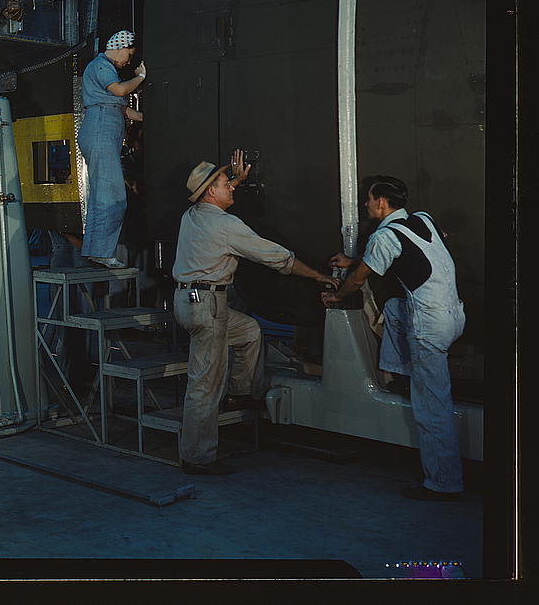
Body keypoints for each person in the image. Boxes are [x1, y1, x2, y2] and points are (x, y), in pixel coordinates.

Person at [173, 152, 338, 475]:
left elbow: (216, 197)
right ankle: (197, 456)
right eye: (226, 185)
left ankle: (239, 394)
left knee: (249, 331)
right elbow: (277, 258)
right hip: (208, 307)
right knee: (205, 384)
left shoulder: (192, 215)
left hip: (189, 302)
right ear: (211, 192)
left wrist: (236, 180)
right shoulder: (225, 225)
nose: (232, 189)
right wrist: (318, 276)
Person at [322, 176, 466, 501]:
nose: (365, 204)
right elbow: (409, 256)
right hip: (453, 314)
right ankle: (400, 371)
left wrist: (337, 297)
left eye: (369, 200)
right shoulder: (423, 219)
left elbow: (357, 282)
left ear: (382, 203)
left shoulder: (383, 235)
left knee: (432, 406)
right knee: (395, 307)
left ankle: (443, 483)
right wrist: (355, 260)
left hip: (430, 325)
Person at [78, 30, 146, 268]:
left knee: (102, 195)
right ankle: (103, 252)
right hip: (101, 131)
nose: (128, 60)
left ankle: (96, 250)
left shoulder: (103, 70)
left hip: (102, 130)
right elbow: (119, 91)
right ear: (120, 47)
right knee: (114, 197)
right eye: (129, 54)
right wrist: (140, 78)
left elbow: (123, 109)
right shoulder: (101, 66)